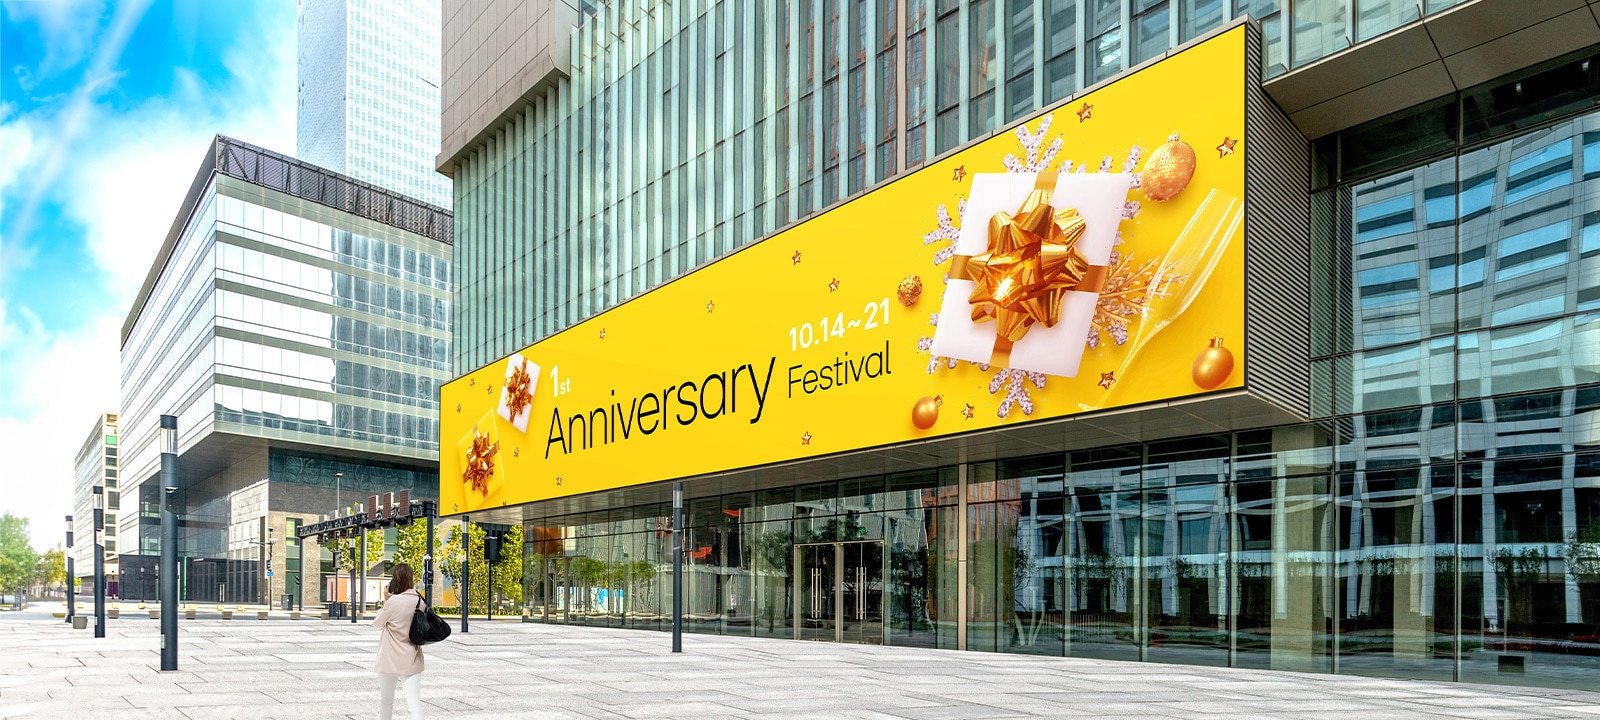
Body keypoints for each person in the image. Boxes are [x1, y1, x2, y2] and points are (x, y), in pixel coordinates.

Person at [372, 562, 425, 720]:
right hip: (411, 659)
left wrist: (386, 599)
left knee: (386, 702)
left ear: (396, 580)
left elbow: (377, 623)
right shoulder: (419, 601)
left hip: (389, 659)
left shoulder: (393, 602)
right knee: (414, 704)